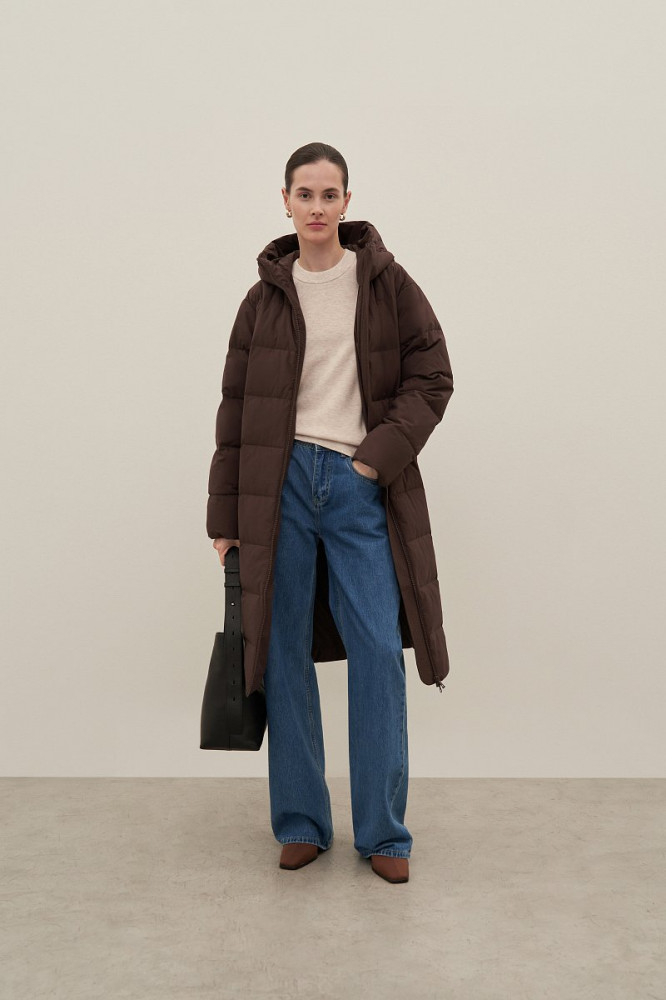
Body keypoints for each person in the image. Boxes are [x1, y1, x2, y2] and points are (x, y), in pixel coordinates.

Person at [207, 142, 454, 885]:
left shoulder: (384, 281)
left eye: (329, 194)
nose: (317, 207)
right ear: (285, 201)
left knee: (377, 648)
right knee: (281, 651)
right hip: (279, 487)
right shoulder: (262, 299)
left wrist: (374, 458)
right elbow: (235, 412)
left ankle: (383, 833)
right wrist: (225, 518)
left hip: (355, 485)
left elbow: (433, 376)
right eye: (304, 194)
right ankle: (301, 822)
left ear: (347, 201)